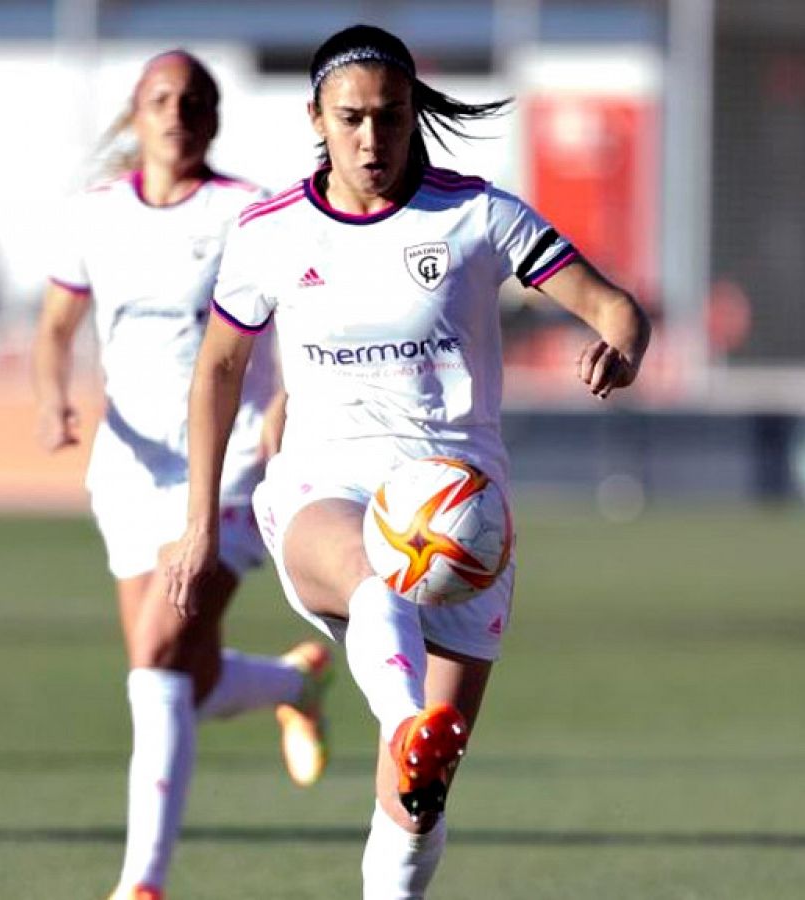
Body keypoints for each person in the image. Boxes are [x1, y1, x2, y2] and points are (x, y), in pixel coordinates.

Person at [162, 25, 650, 898]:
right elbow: (218, 373)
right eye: (350, 119)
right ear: (315, 115)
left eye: (390, 118)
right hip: (323, 484)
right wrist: (200, 526)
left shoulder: (477, 215)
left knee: (417, 809)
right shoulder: (270, 232)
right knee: (376, 569)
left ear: (412, 115)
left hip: (468, 515)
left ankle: (411, 763)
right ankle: (404, 718)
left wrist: (621, 344)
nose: (371, 139)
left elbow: (616, 307)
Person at [30, 50, 333, 900]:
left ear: (215, 116)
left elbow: (297, 314)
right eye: (162, 98)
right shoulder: (94, 213)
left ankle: (142, 884)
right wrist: (53, 400)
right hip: (128, 465)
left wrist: (283, 410)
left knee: (160, 656)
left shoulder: (247, 211)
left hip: (230, 460)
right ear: (137, 112)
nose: (178, 112)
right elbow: (56, 328)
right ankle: (291, 683)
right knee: (177, 677)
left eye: (195, 99)